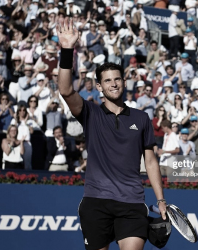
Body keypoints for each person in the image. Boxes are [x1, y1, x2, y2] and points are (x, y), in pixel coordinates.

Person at [56, 19, 167, 250]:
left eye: (117, 79)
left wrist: (160, 199)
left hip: (132, 203)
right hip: (96, 202)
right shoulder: (90, 112)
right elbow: (65, 90)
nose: (113, 84)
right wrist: (67, 50)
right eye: (107, 81)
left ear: (124, 82)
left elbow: (150, 161)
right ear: (99, 87)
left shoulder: (141, 118)